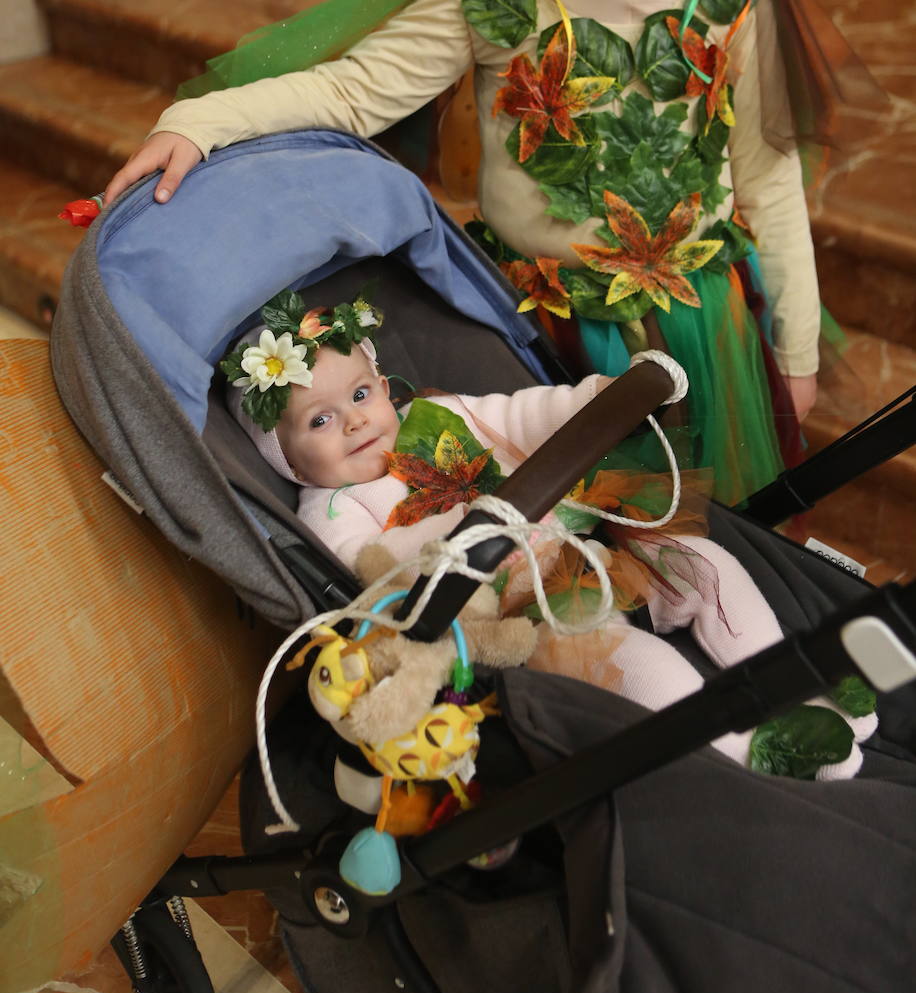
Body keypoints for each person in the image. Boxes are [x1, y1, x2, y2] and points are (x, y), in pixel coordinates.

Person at [104, 0, 824, 505]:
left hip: (709, 332)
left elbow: (769, 180)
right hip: (540, 338)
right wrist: (203, 120)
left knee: (709, 532)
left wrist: (794, 353)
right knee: (570, 539)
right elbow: (353, 91)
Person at [224, 291, 876, 780]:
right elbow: (367, 586)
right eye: (319, 420)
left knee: (703, 562)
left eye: (362, 394)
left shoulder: (438, 412)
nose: (354, 423)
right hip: (525, 615)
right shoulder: (332, 509)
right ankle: (746, 755)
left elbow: (526, 414)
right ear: (282, 456)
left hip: (592, 542)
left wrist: (605, 398)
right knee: (639, 668)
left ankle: (790, 680)